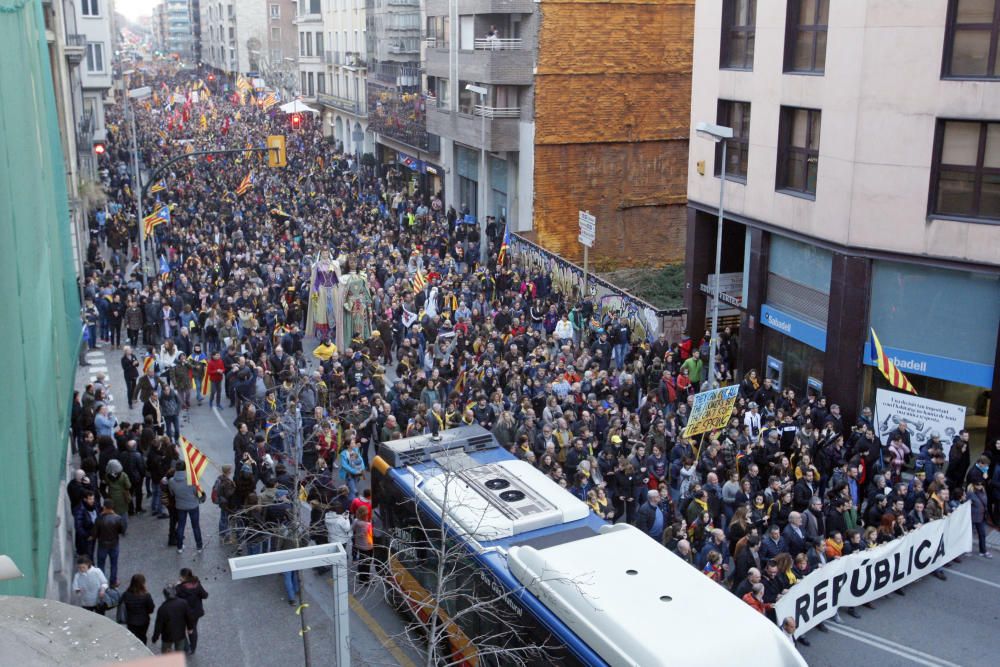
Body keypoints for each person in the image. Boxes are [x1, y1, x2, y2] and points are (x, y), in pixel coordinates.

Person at [168, 461, 204, 553]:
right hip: (193, 505)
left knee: (181, 526)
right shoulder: (191, 480)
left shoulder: (171, 481)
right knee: (195, 526)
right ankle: (199, 546)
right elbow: (197, 493)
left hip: (180, 506)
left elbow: (172, 493)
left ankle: (179, 547)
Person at [151, 585, 194, 654]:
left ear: (165, 596)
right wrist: (190, 628)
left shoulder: (162, 608)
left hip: (167, 636)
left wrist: (155, 637)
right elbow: (189, 617)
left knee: (166, 653)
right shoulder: (183, 603)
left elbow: (158, 625)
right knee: (179, 652)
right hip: (180, 634)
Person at [176, 568, 209, 655]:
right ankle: (192, 649)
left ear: (183, 577)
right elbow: (205, 595)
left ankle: (186, 647)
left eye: (181, 576)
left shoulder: (179, 588)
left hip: (184, 614)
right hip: (195, 613)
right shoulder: (197, 584)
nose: (179, 577)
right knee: (193, 629)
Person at [93, 499, 126, 587]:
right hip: (114, 544)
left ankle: (102, 583)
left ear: (104, 507)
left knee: (101, 564)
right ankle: (113, 581)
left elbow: (95, 533)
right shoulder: (118, 518)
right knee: (114, 564)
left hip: (102, 544)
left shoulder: (99, 519)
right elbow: (122, 530)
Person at [120, 573, 156, 644]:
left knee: (133, 638)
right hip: (144, 621)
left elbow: (122, 605)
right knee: (142, 636)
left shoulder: (126, 594)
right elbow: (151, 609)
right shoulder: (146, 596)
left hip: (131, 621)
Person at [968, 480, 992, 559]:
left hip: (981, 517)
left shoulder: (983, 492)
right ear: (974, 485)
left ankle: (983, 551)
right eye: (978, 484)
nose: (980, 486)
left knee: (982, 534)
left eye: (981, 484)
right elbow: (965, 503)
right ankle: (967, 550)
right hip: (972, 517)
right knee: (968, 535)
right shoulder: (970, 493)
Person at [353, 505, 375, 585]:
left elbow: (353, 529)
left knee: (362, 560)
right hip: (368, 546)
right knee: (367, 563)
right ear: (366, 515)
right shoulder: (368, 525)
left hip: (359, 544)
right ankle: (365, 580)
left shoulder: (356, 521)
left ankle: (361, 577)